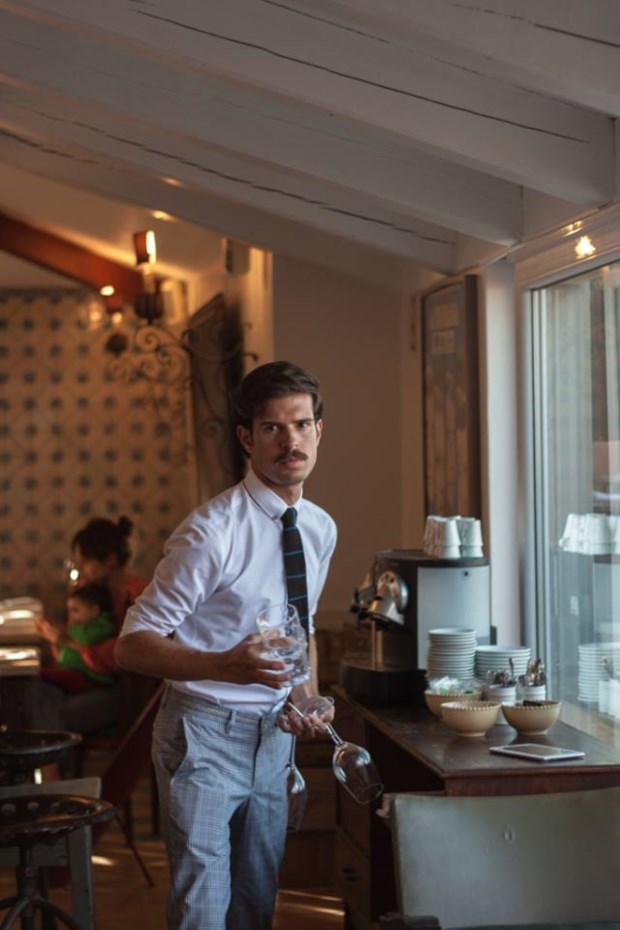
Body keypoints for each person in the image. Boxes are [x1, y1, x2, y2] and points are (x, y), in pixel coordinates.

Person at [115, 360, 338, 930]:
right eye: (272, 428)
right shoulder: (210, 532)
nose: (290, 442)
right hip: (203, 734)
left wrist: (304, 697)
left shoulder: (319, 528)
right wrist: (223, 665)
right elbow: (131, 646)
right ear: (246, 437)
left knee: (255, 905)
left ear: (318, 430)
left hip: (274, 739)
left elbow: (301, 629)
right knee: (204, 908)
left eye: (301, 425)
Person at [38, 583, 117, 694]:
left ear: (94, 610)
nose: (71, 616)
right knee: (39, 673)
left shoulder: (103, 626)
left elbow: (85, 638)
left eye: (75, 610)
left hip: (90, 677)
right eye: (69, 611)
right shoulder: (81, 628)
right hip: (75, 670)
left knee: (40, 675)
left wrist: (63, 634)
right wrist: (54, 638)